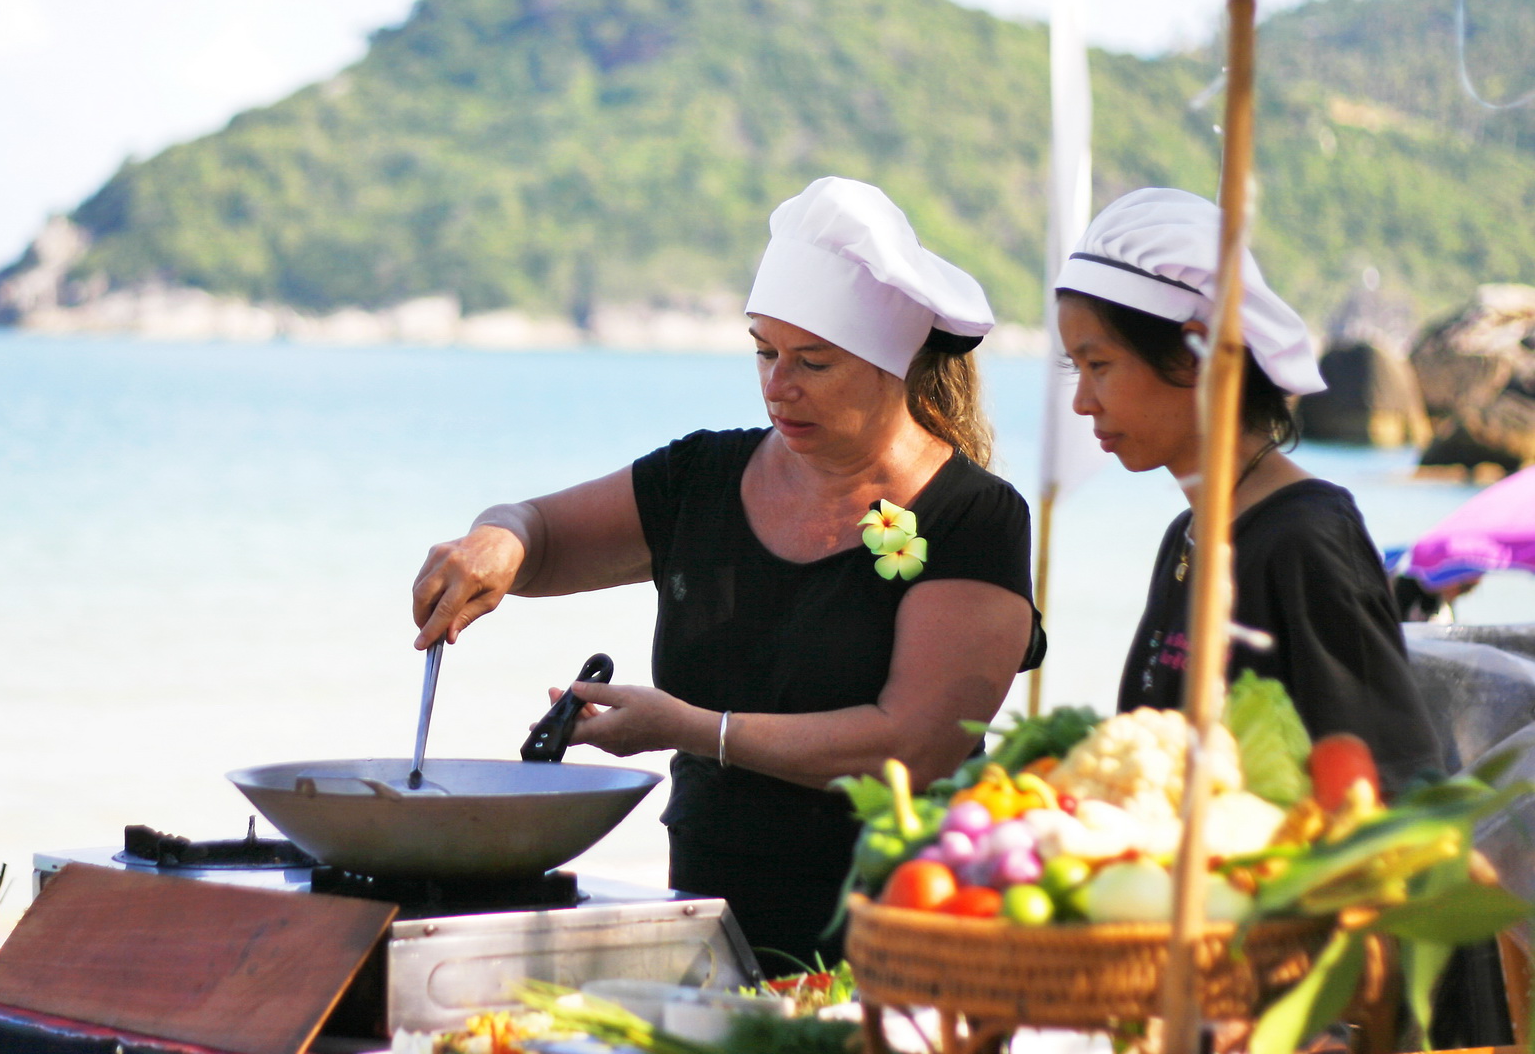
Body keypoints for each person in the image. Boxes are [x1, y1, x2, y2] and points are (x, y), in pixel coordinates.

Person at [411, 177, 1041, 965]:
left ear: (896, 364)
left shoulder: (974, 517)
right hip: (707, 927)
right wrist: (497, 539)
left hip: (900, 943)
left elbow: (914, 748)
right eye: (764, 352)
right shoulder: (700, 476)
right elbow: (537, 530)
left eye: (813, 361)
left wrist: (691, 729)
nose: (779, 386)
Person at [1052, 186, 1441, 793]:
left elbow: (1392, 784)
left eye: (1098, 365)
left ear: (1197, 354)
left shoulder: (1307, 540)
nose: (1082, 402)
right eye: (1075, 369)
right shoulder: (1187, 537)